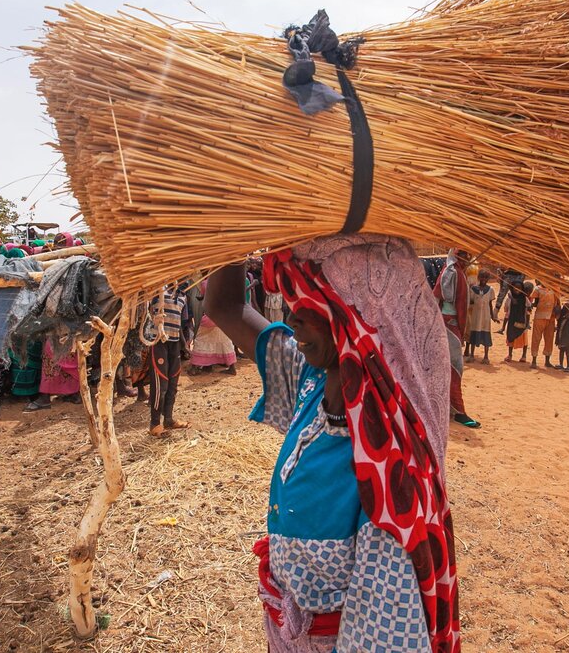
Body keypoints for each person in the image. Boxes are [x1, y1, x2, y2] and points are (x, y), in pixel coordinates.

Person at [204, 235, 459, 652]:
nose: (292, 321)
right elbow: (225, 307)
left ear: (354, 320)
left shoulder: (390, 454)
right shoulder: (310, 379)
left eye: (307, 311)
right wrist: (231, 224)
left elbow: (380, 631)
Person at [433, 250, 480, 427]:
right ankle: (458, 412)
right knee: (454, 368)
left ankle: (448, 408)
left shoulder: (455, 271)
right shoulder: (451, 272)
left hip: (449, 323)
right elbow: (445, 296)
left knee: (448, 368)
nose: (468, 260)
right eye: (465, 256)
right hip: (448, 324)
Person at [146, 285, 189, 436]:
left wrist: (184, 345)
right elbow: (145, 311)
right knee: (160, 382)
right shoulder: (157, 291)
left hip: (175, 342)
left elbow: (181, 324)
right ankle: (155, 423)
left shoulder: (183, 295)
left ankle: (168, 419)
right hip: (158, 341)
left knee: (173, 382)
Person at [189, 280, 237, 375]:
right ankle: (231, 367)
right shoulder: (222, 283)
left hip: (210, 316)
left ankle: (194, 368)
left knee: (201, 339)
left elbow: (204, 297)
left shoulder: (204, 283)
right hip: (223, 318)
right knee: (224, 341)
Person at [467, 271, 498, 364]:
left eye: (485, 278)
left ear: (488, 279)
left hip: (485, 316)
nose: (483, 279)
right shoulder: (473, 289)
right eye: (482, 277)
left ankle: (486, 356)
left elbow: (490, 304)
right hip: (476, 315)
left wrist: (493, 316)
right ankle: (471, 355)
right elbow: (471, 301)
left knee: (486, 334)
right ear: (478, 277)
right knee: (473, 333)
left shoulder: (490, 289)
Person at [528, 279, 559, 369]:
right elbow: (534, 301)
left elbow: (558, 303)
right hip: (540, 316)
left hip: (551, 317)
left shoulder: (555, 288)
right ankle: (534, 360)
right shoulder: (537, 289)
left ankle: (547, 360)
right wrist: (530, 305)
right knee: (536, 338)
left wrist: (557, 318)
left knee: (549, 338)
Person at [503, 280, 533, 363]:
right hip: (512, 322)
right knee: (511, 337)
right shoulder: (509, 299)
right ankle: (510, 355)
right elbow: (506, 310)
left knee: (524, 340)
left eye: (519, 287)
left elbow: (528, 311)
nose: (517, 289)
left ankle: (524, 356)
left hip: (523, 322)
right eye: (515, 287)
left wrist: (527, 323)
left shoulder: (524, 298)